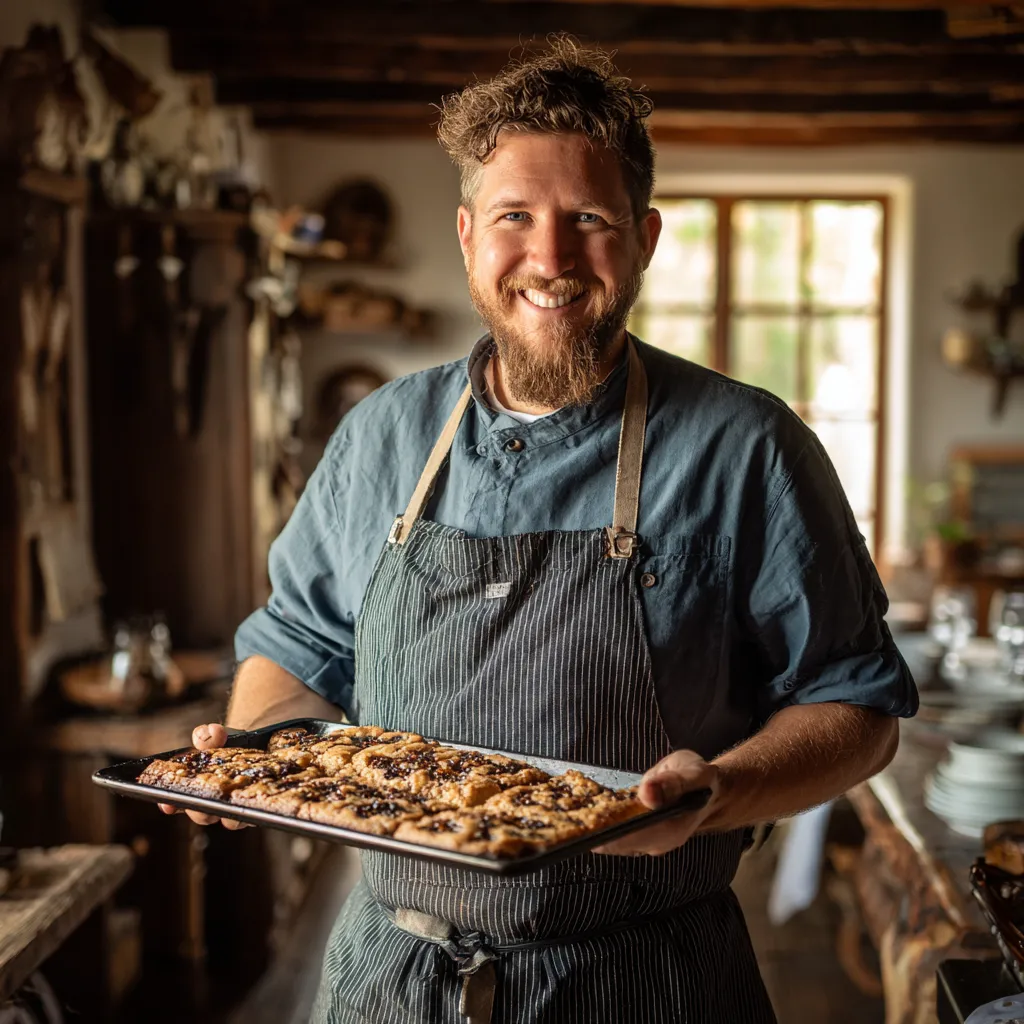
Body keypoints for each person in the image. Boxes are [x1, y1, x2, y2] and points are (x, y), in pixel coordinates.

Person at [163, 38, 917, 1024]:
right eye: (516, 217)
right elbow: (296, 648)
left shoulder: (748, 447)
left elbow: (856, 708)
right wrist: (257, 760)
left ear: (644, 238)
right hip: (393, 979)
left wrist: (719, 789)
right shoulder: (381, 436)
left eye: (588, 220)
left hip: (647, 981)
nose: (550, 259)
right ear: (470, 236)